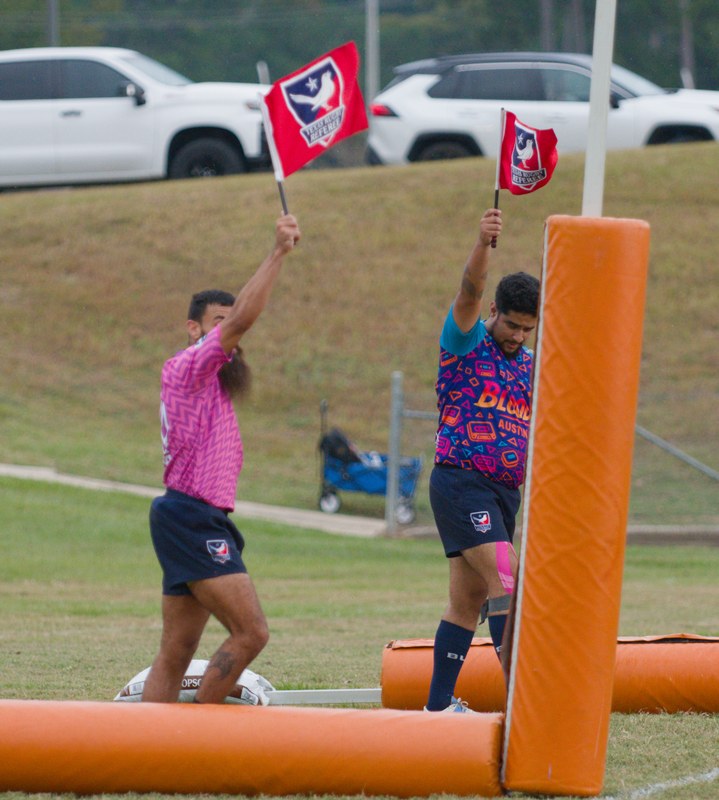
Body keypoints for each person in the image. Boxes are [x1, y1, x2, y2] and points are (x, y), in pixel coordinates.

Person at [141, 213, 301, 704]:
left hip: (192, 515)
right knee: (251, 632)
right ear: (194, 329)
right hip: (191, 516)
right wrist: (277, 253)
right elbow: (243, 319)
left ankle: (147, 747)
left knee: (176, 648)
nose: (229, 335)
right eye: (217, 323)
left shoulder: (213, 382)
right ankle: (198, 734)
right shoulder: (188, 367)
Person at [425, 208, 539, 713]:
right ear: (495, 311)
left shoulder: (532, 365)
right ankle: (525, 705)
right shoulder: (466, 341)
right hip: (460, 482)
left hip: (502, 493)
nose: (517, 336)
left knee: (467, 603)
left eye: (527, 329)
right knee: (508, 581)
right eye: (511, 325)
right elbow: (468, 292)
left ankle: (436, 707)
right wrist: (481, 245)